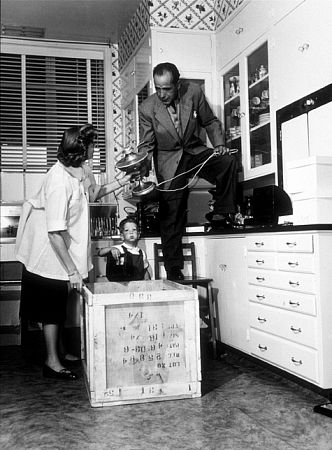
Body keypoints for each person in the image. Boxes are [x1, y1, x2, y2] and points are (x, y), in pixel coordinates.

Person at [15, 124, 132, 380]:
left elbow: (94, 193)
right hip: (47, 250)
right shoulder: (58, 180)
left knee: (59, 303)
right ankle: (52, 362)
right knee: (51, 306)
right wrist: (71, 271)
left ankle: (60, 351)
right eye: (91, 145)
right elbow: (54, 232)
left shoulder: (81, 169)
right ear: (80, 148)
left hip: (62, 244)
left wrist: (123, 180)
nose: (94, 149)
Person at [138, 62, 238, 281]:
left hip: (193, 150)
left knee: (227, 161)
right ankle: (174, 269)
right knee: (171, 213)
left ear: (178, 83)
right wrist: (141, 165)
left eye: (167, 88)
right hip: (169, 159)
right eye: (158, 88)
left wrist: (219, 143)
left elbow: (210, 121)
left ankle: (221, 213)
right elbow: (147, 144)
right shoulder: (147, 108)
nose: (162, 94)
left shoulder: (192, 92)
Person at [98, 217, 150, 282]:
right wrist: (111, 249)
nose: (131, 232)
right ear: (122, 236)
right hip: (120, 286)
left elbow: (145, 270)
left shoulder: (141, 252)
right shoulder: (118, 248)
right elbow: (100, 253)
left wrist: (148, 281)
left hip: (137, 286)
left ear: (138, 235)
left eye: (134, 229)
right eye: (127, 230)